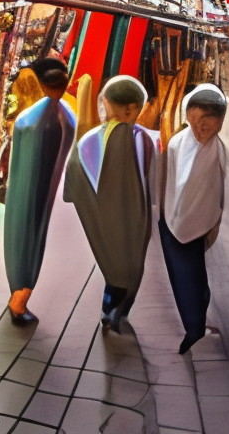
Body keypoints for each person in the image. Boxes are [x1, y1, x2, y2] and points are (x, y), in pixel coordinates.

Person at [63, 75, 160, 332]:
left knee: (113, 266)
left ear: (107, 103)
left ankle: (110, 310)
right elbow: (154, 183)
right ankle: (119, 311)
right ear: (134, 109)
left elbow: (74, 181)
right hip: (136, 220)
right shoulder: (144, 139)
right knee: (131, 266)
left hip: (104, 219)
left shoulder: (91, 139)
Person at [4, 58, 75, 325]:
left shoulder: (36, 117)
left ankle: (19, 297)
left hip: (40, 190)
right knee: (28, 237)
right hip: (35, 192)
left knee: (30, 235)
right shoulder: (43, 118)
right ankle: (18, 301)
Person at [158, 83, 228, 354]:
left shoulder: (219, 153)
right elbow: (169, 181)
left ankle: (197, 322)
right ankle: (194, 329)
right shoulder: (177, 143)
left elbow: (224, 193)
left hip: (201, 225)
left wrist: (215, 223)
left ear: (220, 121)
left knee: (195, 277)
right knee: (184, 278)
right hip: (172, 223)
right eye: (194, 120)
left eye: (207, 121)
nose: (200, 127)